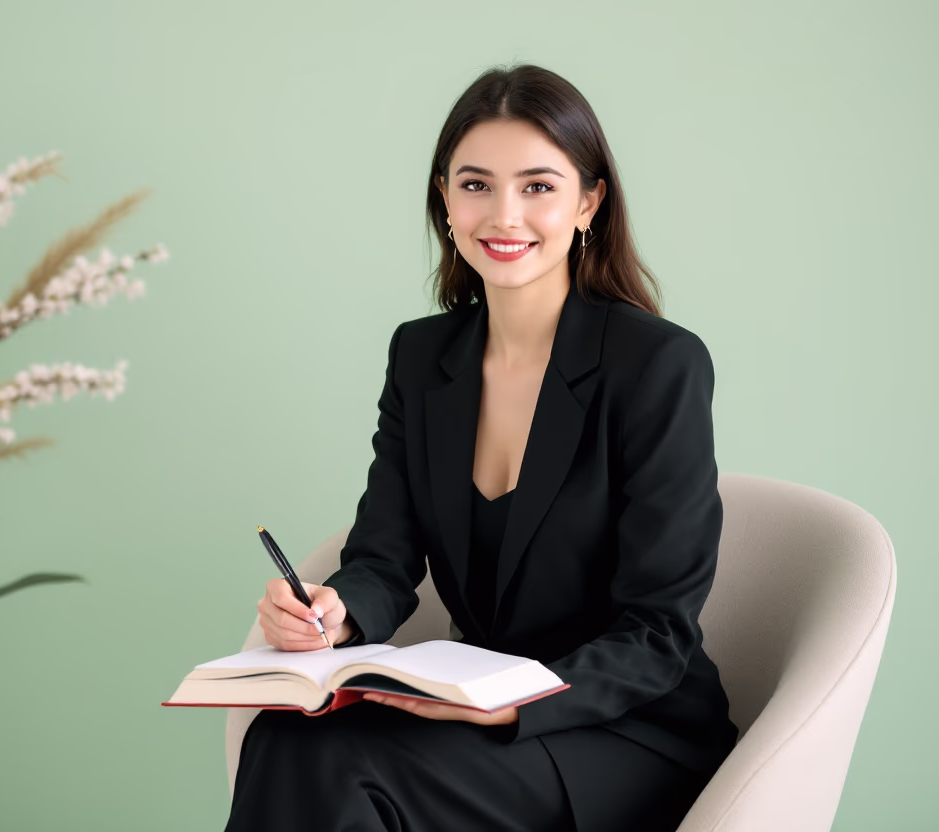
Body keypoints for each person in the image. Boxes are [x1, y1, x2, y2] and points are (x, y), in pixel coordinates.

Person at [225, 62, 738, 832]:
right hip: (474, 708)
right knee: (287, 737)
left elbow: (659, 631)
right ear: (445, 198)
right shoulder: (422, 357)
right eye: (475, 185)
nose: (504, 215)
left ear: (589, 201)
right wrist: (333, 613)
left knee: (339, 763)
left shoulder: (657, 364)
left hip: (623, 731)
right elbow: (383, 557)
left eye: (538, 186)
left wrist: (506, 705)